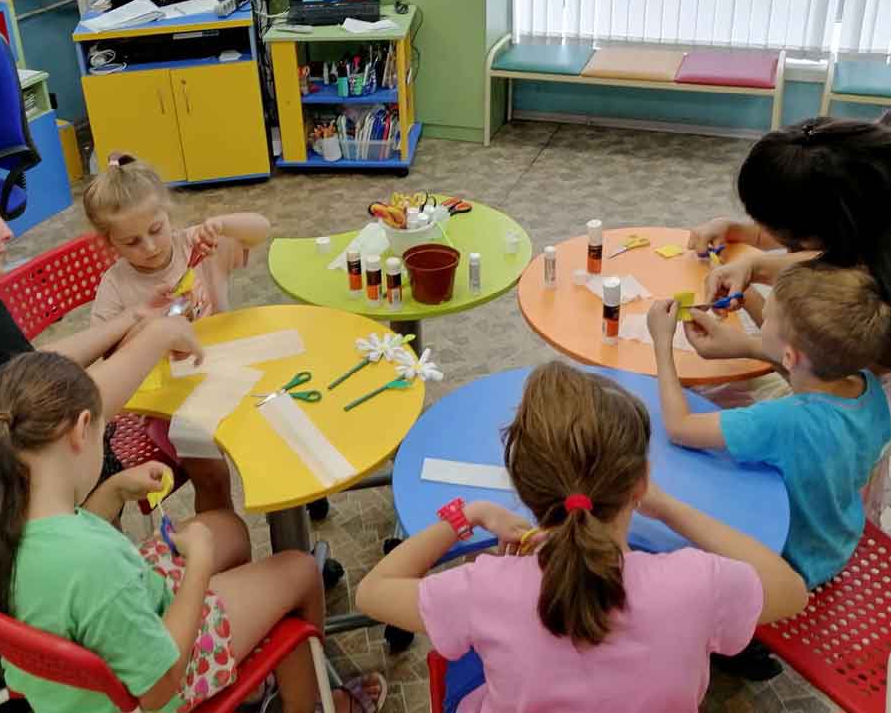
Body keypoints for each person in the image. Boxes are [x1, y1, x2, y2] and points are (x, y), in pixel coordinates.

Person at [0, 151, 204, 712]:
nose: (6, 230)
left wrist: (128, 321)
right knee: (92, 455)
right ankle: (124, 611)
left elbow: (24, 372)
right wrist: (157, 338)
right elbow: (66, 416)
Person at [356, 361, 807, 713]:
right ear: (640, 483)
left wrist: (469, 515)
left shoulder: (486, 588)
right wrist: (670, 508)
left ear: (524, 489)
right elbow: (789, 590)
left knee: (467, 659)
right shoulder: (697, 583)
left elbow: (372, 592)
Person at [0, 352, 386, 713]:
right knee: (300, 571)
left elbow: (65, 545)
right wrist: (198, 566)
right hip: (149, 683)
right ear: (81, 430)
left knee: (230, 530)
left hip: (97, 648)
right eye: (104, 431)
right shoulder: (94, 568)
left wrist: (114, 491)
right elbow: (159, 686)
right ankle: (310, 703)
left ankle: (254, 678)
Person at [686, 115, 891, 521]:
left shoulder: (863, 320)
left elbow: (831, 369)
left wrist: (751, 345)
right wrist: (743, 243)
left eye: (790, 239)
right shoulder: (856, 179)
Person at [647, 260, 891, 588]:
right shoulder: (869, 387)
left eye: (767, 316)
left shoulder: (784, 421)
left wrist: (662, 344)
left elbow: (680, 426)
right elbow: (810, 388)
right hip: (834, 542)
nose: (761, 315)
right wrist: (746, 329)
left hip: (786, 561)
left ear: (790, 357)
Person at [83, 152, 271, 513]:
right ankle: (221, 533)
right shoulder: (116, 286)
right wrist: (146, 328)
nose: (150, 247)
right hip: (171, 403)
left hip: (230, 372)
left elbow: (260, 228)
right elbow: (108, 358)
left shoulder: (195, 246)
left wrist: (224, 224)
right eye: (132, 242)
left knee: (272, 433)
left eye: (156, 230)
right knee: (213, 477)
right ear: (110, 244)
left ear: (168, 214)